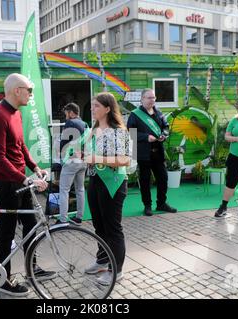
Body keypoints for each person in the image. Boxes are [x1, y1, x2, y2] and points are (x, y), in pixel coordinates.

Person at [0, 73, 54, 296]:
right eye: (29, 90)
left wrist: (35, 168)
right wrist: (24, 178)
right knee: (7, 232)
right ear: (17, 90)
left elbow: (21, 145)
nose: (30, 94)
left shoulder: (16, 113)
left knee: (31, 225)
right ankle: (3, 280)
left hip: (20, 180)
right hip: (6, 184)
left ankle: (31, 268)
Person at [84, 92, 131, 286]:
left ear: (107, 109)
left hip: (113, 183)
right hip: (95, 181)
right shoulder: (93, 129)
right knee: (99, 226)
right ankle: (103, 260)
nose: (93, 108)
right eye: (93, 105)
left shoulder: (118, 131)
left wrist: (96, 159)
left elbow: (124, 160)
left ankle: (116, 270)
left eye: (96, 106)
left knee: (113, 229)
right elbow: (89, 154)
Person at [127, 88, 177, 216]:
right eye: (149, 98)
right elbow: (131, 133)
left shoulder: (158, 113)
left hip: (158, 153)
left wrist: (164, 135)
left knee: (163, 178)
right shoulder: (135, 114)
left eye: (154, 97)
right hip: (143, 153)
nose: (152, 100)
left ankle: (161, 203)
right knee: (145, 180)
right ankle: (147, 205)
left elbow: (166, 127)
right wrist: (146, 137)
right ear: (142, 99)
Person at [57, 103, 88, 225]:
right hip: (83, 160)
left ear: (71, 112)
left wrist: (60, 156)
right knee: (80, 189)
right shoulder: (85, 124)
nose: (65, 116)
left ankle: (63, 219)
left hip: (71, 160)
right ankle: (79, 217)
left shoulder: (70, 123)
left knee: (64, 190)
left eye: (66, 113)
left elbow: (63, 143)